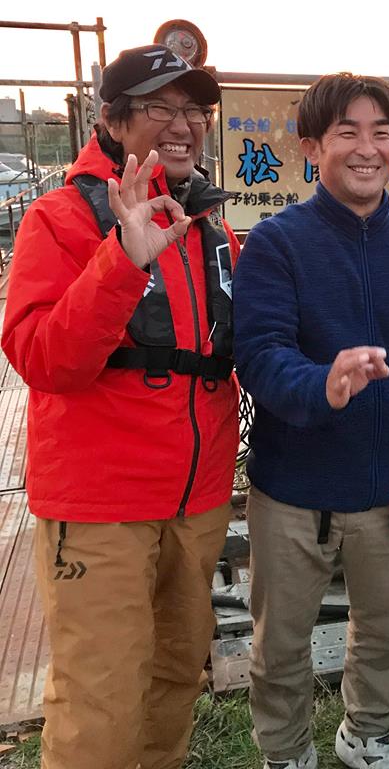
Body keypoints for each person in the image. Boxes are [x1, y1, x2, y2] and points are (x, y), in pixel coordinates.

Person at [2, 45, 241, 769]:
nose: (184, 124)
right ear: (111, 120)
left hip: (198, 498)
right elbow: (43, 358)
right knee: (99, 698)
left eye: (195, 110)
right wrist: (122, 259)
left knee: (177, 672)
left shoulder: (209, 226)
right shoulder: (60, 220)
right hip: (100, 506)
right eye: (161, 107)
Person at [232, 72, 389, 769]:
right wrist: (323, 385)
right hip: (291, 492)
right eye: (347, 133)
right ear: (312, 148)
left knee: (383, 631)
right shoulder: (277, 243)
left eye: (381, 133)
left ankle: (367, 734)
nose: (368, 149)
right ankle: (285, 751)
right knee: (280, 642)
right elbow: (260, 354)